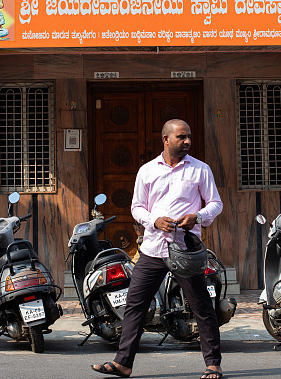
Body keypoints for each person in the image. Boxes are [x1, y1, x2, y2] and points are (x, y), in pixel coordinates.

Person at [91, 119, 224, 379]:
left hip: (185, 251)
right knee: (135, 305)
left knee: (201, 306)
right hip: (153, 249)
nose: (187, 141)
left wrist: (197, 216)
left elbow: (216, 204)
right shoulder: (147, 171)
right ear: (166, 139)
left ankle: (213, 364)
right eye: (181, 137)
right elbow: (137, 207)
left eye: (189, 137)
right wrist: (154, 220)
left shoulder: (200, 169)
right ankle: (123, 363)